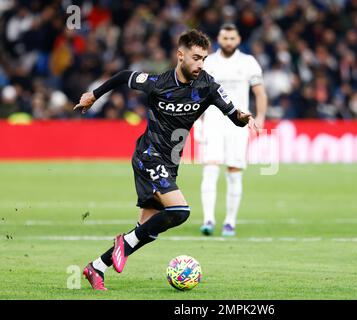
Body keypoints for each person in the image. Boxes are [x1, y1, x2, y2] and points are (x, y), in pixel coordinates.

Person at [74, 29, 259, 291]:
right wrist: (94, 95)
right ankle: (121, 244)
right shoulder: (158, 82)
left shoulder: (208, 86)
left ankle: (96, 268)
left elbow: (233, 115)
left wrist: (243, 117)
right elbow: (125, 76)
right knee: (180, 211)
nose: (200, 64)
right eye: (196, 58)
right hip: (148, 156)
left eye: (204, 58)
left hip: (169, 164)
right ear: (180, 55)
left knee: (144, 231)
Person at [198, 23, 267, 237]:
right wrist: (197, 121)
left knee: (234, 172)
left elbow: (260, 93)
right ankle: (208, 219)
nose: (228, 42)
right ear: (219, 39)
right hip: (212, 121)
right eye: (225, 38)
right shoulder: (208, 62)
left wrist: (261, 118)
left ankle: (230, 222)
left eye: (232, 38)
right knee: (210, 168)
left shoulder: (248, 62)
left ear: (238, 40)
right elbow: (197, 94)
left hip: (239, 122)